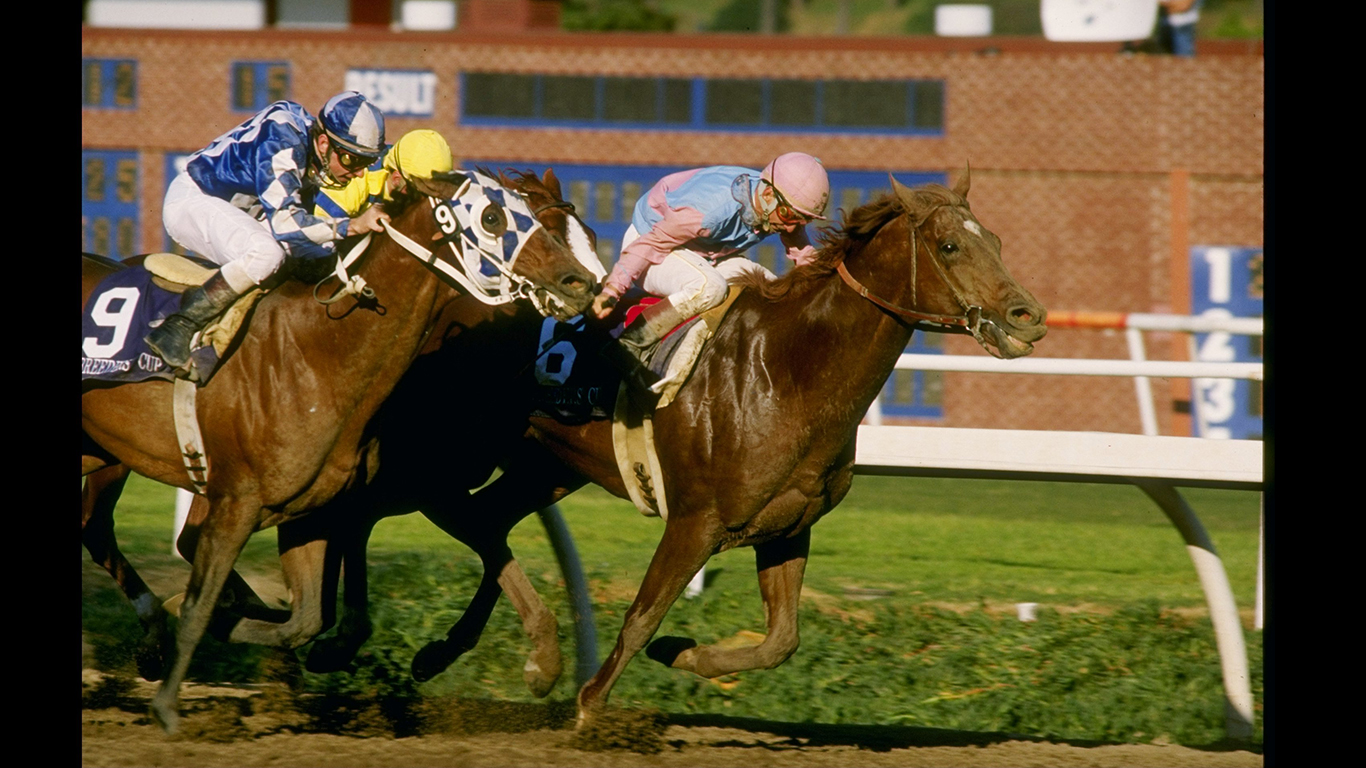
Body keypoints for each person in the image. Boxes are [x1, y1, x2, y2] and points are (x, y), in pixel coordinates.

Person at [147, 91, 389, 368]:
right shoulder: (283, 141)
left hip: (239, 212)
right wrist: (353, 226)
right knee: (266, 255)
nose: (359, 173)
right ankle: (178, 326)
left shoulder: (312, 145)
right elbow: (286, 224)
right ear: (324, 143)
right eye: (351, 161)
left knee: (318, 255)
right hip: (192, 199)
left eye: (365, 163)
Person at [590, 152, 831, 392]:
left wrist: (823, 289)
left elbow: (803, 253)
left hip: (703, 252)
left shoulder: (777, 201)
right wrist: (612, 290)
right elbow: (650, 244)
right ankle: (629, 343)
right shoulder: (710, 212)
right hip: (651, 245)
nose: (791, 227)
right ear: (768, 194)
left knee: (770, 289)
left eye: (802, 220)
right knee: (710, 287)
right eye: (788, 216)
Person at [314, 128, 454, 221]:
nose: (424, 201)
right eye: (420, 192)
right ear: (396, 179)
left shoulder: (402, 177)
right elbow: (322, 238)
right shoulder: (356, 181)